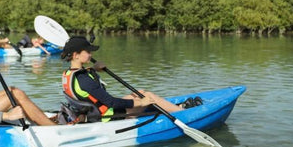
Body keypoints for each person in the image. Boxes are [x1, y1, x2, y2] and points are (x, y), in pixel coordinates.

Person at [60, 36, 200, 122]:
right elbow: (111, 102)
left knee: (140, 92)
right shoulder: (85, 79)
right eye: (88, 52)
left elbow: (85, 87)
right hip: (108, 116)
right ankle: (184, 114)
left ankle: (178, 108)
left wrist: (95, 70)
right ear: (76, 55)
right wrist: (142, 103)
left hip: (96, 112)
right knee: (148, 96)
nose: (91, 55)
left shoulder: (69, 74)